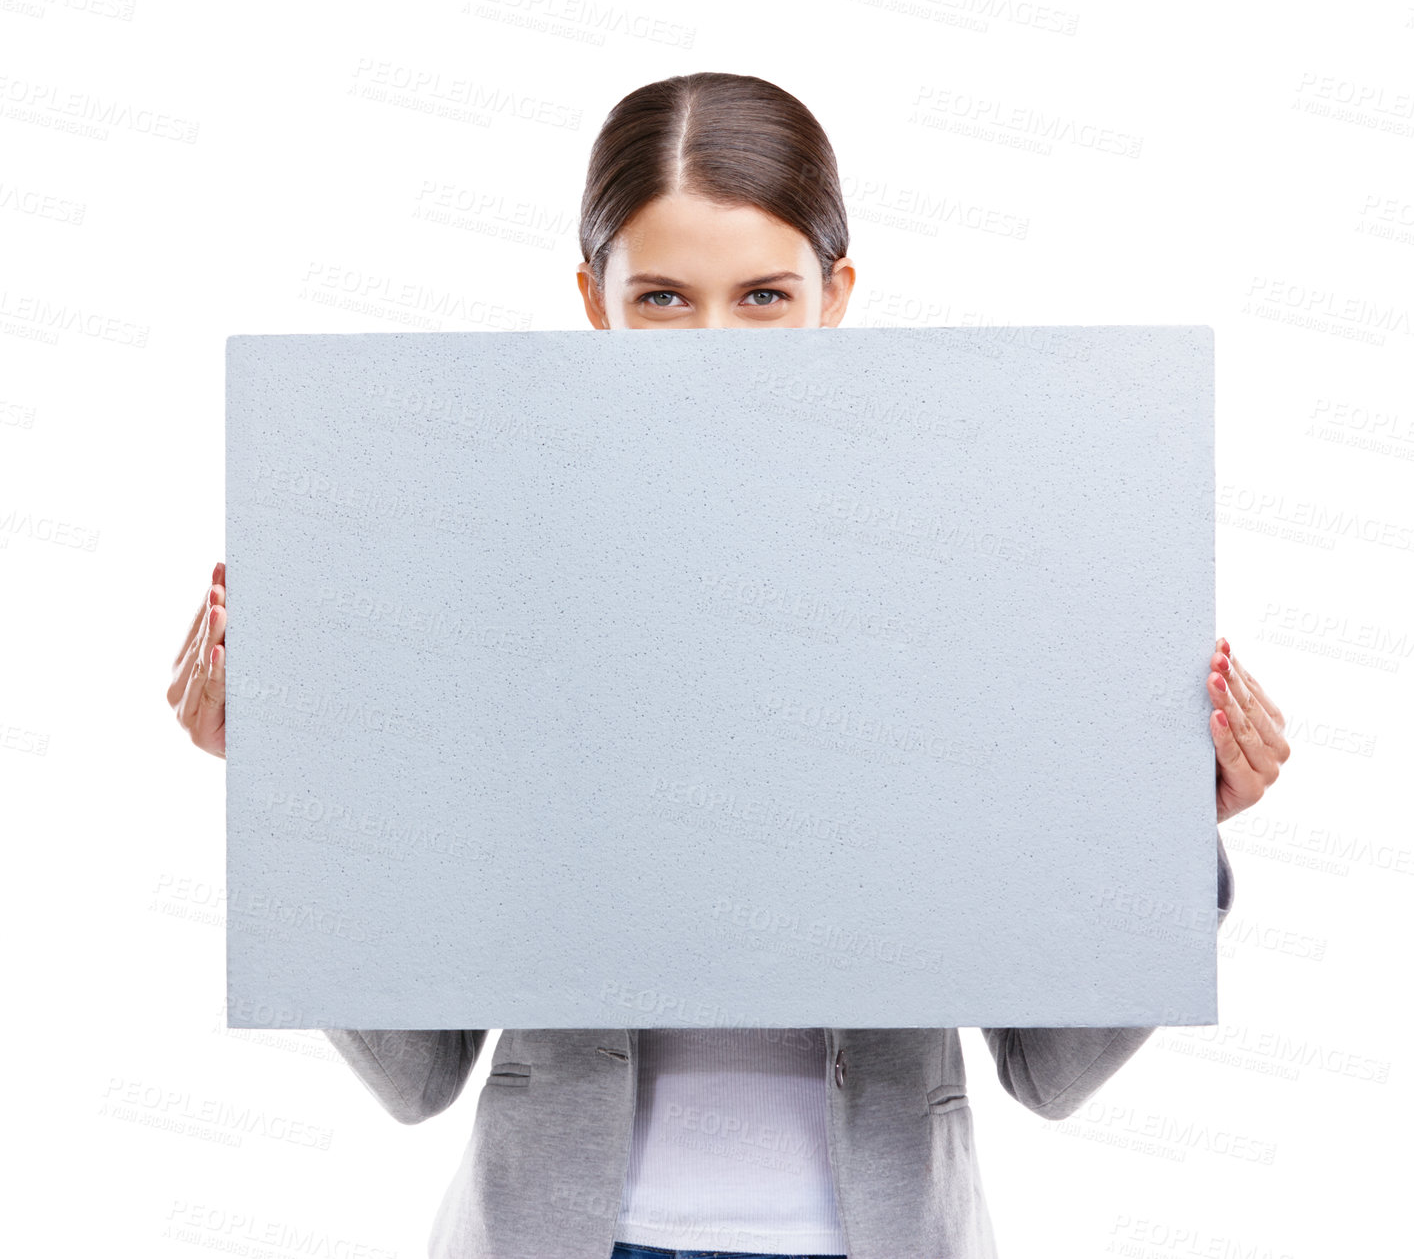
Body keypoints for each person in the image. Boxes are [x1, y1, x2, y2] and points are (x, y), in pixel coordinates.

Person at [169, 73, 1291, 1259]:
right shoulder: (485, 581)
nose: (714, 349)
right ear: (594, 304)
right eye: (661, 297)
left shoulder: (963, 581)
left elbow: (1052, 1070)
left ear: (834, 296)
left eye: (763, 295)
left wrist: (1166, 824)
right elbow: (414, 1075)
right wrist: (292, 776)